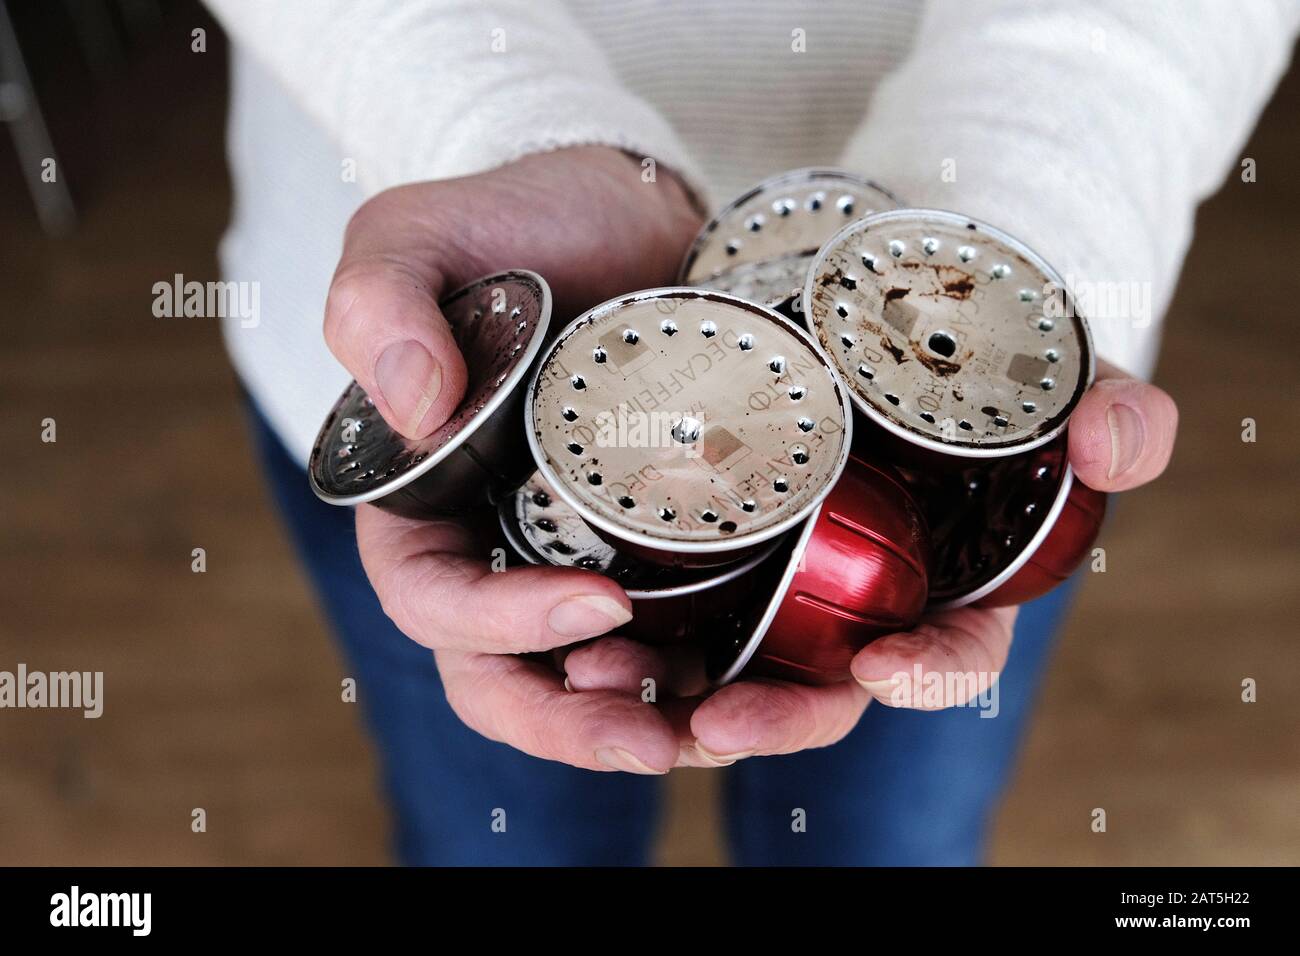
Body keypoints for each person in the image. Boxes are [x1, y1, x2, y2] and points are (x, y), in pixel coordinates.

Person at [204, 0, 1297, 865]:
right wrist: (495, 125)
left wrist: (994, 231)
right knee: (502, 843)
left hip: (970, 427)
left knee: (885, 846)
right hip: (423, 318)